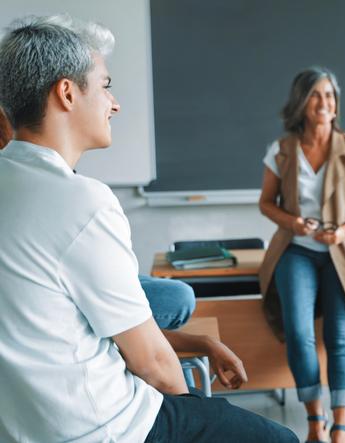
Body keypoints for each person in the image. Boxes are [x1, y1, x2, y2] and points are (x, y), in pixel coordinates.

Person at [0, 15, 297, 442]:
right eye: (104, 86)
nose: (114, 103)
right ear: (66, 93)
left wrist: (195, 343)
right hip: (97, 429)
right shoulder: (82, 201)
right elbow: (154, 366)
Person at [258, 66, 345, 443]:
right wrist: (294, 223)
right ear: (301, 101)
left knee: (340, 336)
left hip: (343, 252)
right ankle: (315, 423)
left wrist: (343, 230)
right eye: (315, 95)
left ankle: (341, 426)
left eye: (329, 95)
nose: (323, 102)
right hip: (297, 251)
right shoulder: (282, 150)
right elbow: (266, 203)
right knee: (298, 333)